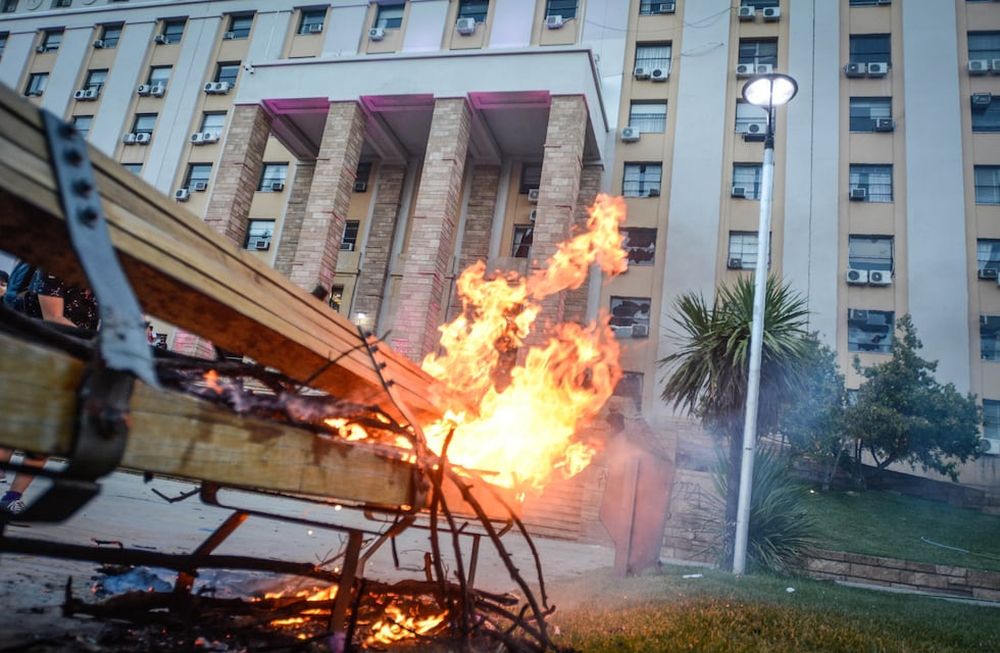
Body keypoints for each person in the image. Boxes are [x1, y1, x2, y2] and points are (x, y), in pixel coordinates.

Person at [0, 271, 98, 515]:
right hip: (40, 357)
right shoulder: (54, 270)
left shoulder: (101, 280)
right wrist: (96, 345)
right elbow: (53, 316)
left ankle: (12, 498)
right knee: (13, 431)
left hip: (73, 362)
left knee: (46, 435)